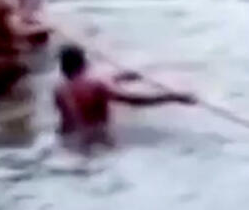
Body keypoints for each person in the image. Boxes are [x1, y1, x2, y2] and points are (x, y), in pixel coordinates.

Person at [54, 44, 196, 149]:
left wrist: (121, 77)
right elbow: (134, 100)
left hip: (67, 141)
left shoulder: (59, 90)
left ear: (63, 68)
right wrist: (173, 97)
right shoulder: (97, 85)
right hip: (97, 141)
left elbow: (90, 86)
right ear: (85, 63)